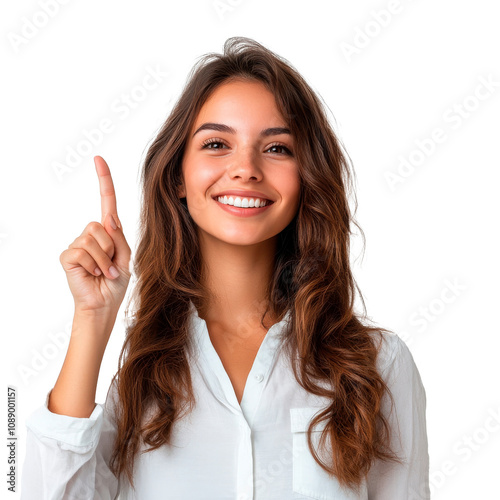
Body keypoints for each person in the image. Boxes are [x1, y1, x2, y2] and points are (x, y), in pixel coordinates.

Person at [20, 36, 430, 500]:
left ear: (307, 177)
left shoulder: (376, 366)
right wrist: (92, 320)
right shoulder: (137, 381)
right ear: (178, 175)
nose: (246, 168)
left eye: (277, 149)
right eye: (217, 144)